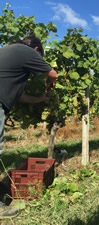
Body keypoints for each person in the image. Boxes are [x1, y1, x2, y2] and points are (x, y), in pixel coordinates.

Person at [0, 36, 58, 218]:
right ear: (36, 49)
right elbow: (53, 73)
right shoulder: (24, 50)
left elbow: (19, 97)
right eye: (39, 55)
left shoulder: (8, 54)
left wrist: (40, 99)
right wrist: (49, 81)